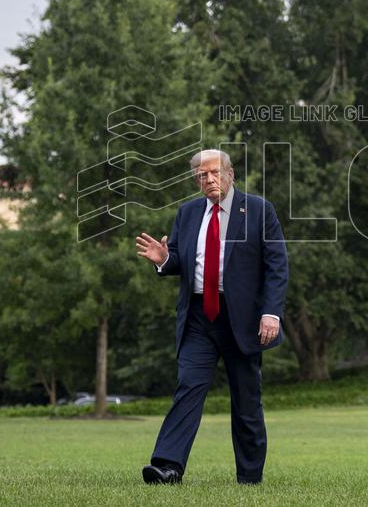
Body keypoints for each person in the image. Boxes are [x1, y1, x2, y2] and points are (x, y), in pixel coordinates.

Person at [135, 149, 288, 485]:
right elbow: (179, 260)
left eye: (215, 172)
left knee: (246, 400)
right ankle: (167, 467)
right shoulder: (188, 213)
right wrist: (164, 259)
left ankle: (249, 477)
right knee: (188, 387)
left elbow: (277, 267)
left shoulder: (259, 210)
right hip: (198, 318)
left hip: (243, 321)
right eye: (202, 175)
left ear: (230, 173)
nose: (209, 179)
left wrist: (271, 314)